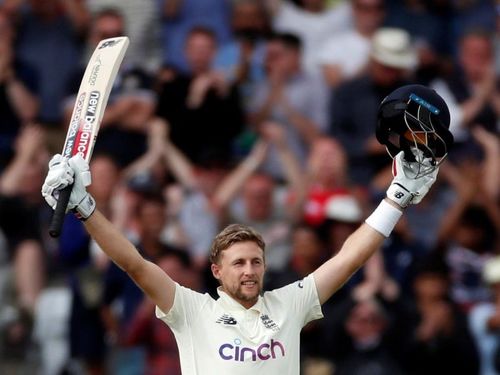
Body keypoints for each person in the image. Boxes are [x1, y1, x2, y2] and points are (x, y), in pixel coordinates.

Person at [41, 85, 448, 374]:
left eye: (255, 261)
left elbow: (350, 257)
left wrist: (395, 200)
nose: (249, 270)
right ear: (216, 271)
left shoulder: (289, 304)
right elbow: (134, 263)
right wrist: (85, 207)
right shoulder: (192, 310)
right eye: (238, 263)